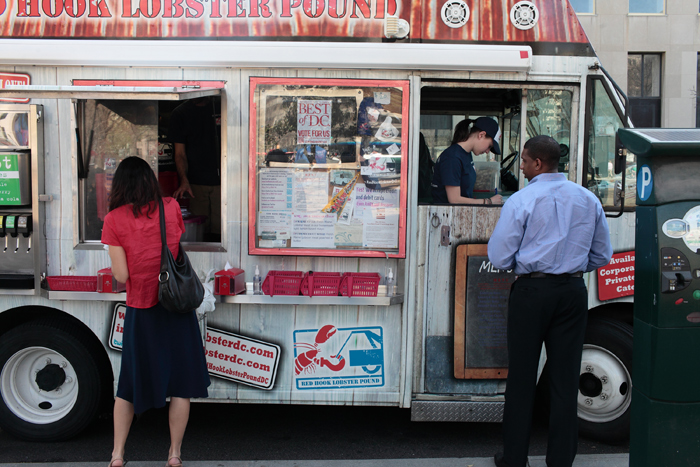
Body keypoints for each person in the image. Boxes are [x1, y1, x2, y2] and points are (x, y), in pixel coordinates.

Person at [487, 135, 612, 467]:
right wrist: (568, 268)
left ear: (538, 163)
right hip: (571, 293)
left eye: (524, 162)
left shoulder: (522, 200)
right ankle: (560, 461)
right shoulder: (588, 199)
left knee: (522, 378)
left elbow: (500, 256)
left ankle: (514, 458)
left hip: (531, 292)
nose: (523, 168)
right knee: (565, 377)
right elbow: (602, 255)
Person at [101, 157, 211, 467]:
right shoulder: (171, 208)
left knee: (128, 386)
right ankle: (174, 453)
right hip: (175, 306)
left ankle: (118, 454)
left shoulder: (113, 220)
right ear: (150, 180)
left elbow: (121, 276)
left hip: (142, 310)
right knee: (180, 385)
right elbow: (174, 247)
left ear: (119, 185)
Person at [168, 97, 221, 242]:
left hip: (223, 183)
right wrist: (184, 181)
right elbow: (179, 154)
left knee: (222, 233)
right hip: (195, 184)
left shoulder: (221, 105)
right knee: (199, 233)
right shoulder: (181, 113)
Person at [431, 116, 503, 205]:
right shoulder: (452, 157)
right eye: (489, 146)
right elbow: (454, 199)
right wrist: (488, 201)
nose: (487, 151)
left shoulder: (466, 154)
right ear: (481, 135)